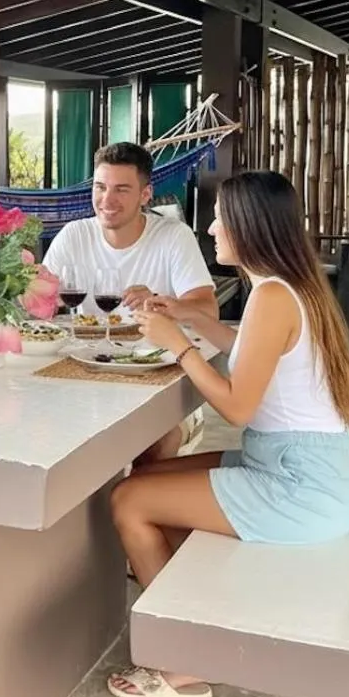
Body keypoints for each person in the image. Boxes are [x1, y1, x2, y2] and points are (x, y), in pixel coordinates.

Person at [105, 170, 349, 697]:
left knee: (129, 500)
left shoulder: (272, 294)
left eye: (222, 216)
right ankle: (202, 613)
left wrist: (178, 344)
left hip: (299, 487)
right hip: (299, 466)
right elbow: (250, 347)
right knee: (147, 478)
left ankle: (186, 661)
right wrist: (181, 312)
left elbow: (238, 406)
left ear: (249, 226)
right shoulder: (289, 287)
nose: (213, 227)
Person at [42, 141, 218, 463]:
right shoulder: (73, 235)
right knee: (45, 427)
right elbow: (38, 304)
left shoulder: (173, 236)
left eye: (122, 189)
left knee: (156, 439)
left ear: (146, 194)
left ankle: (143, 506)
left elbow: (208, 309)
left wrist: (162, 302)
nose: (107, 200)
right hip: (87, 371)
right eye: (100, 187)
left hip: (156, 375)